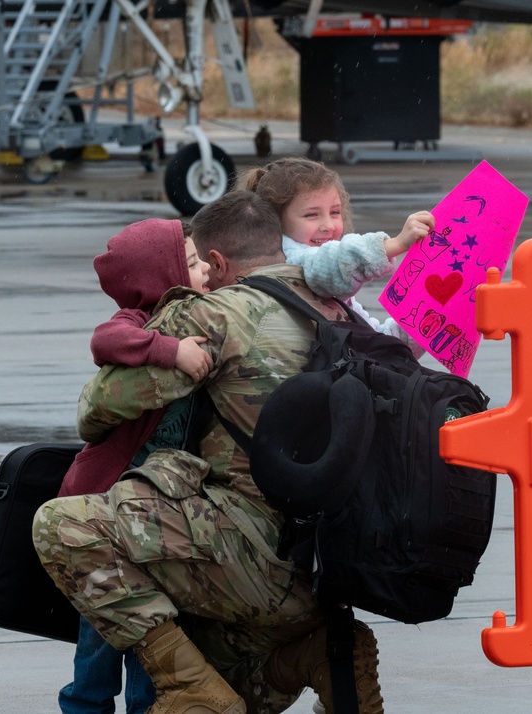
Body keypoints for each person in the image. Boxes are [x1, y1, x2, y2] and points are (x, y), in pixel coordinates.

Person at [33, 190, 383, 714]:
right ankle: (318, 652)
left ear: (217, 262)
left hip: (250, 561)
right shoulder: (344, 313)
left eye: (201, 263)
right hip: (337, 568)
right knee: (224, 671)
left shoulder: (213, 314)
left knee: (60, 527)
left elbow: (97, 409)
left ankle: (189, 689)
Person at [57, 218, 214, 714]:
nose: (205, 267)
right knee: (101, 632)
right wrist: (173, 351)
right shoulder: (137, 320)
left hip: (157, 516)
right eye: (190, 262)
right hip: (103, 513)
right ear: (159, 275)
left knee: (155, 631)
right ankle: (86, 706)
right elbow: (106, 341)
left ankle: (148, 708)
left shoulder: (210, 315)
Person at [240, 156, 433, 354]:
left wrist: (424, 323)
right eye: (311, 215)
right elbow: (326, 264)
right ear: (274, 220)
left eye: (335, 212)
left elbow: (373, 338)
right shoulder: (287, 260)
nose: (329, 226)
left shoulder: (329, 276)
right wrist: (396, 244)